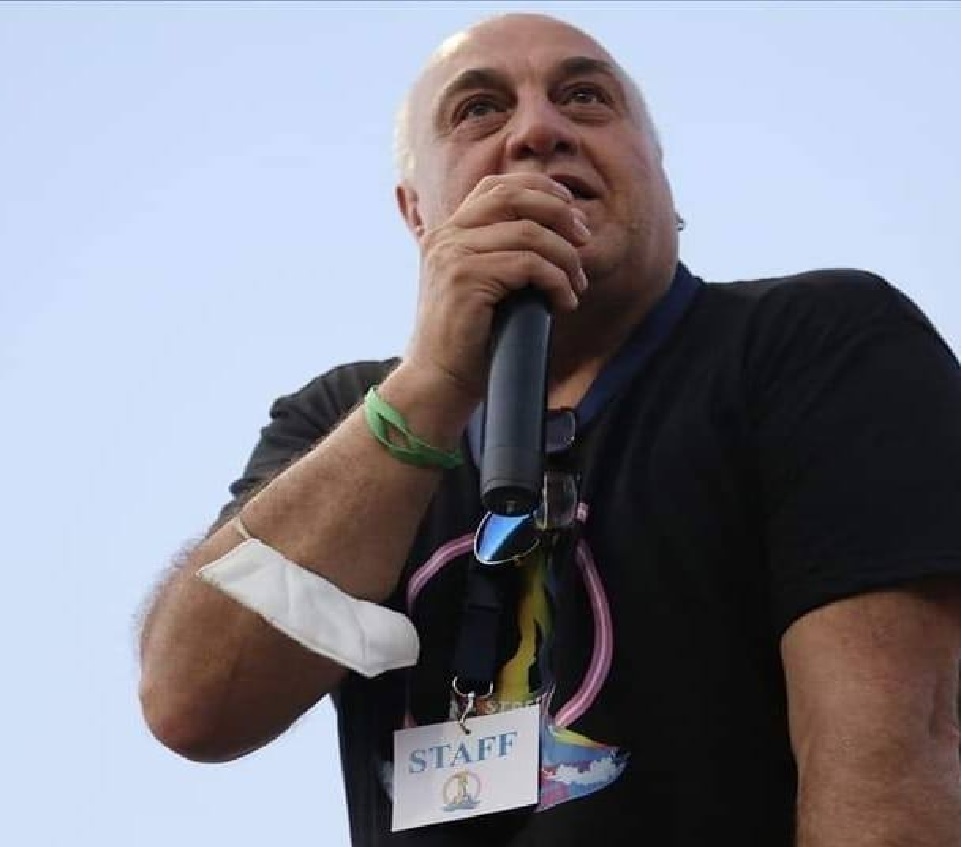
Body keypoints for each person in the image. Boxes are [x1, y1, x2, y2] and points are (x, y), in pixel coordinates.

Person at [137, 12, 960, 846]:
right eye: (479, 110)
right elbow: (194, 704)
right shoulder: (342, 417)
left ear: (660, 172)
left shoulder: (815, 344)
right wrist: (431, 385)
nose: (537, 131)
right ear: (416, 213)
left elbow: (892, 771)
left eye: (585, 98)